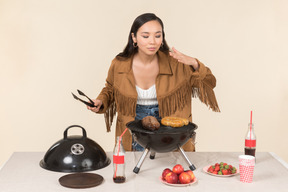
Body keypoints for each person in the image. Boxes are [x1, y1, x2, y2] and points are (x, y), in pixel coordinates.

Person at [87, 13, 220, 152]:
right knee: (137, 170)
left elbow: (210, 83)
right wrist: (101, 102)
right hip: (134, 129)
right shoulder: (119, 63)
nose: (153, 41)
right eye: (145, 36)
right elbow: (110, 89)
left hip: (170, 132)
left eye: (158, 35)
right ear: (134, 37)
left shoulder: (177, 63)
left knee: (170, 169)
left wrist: (194, 63)